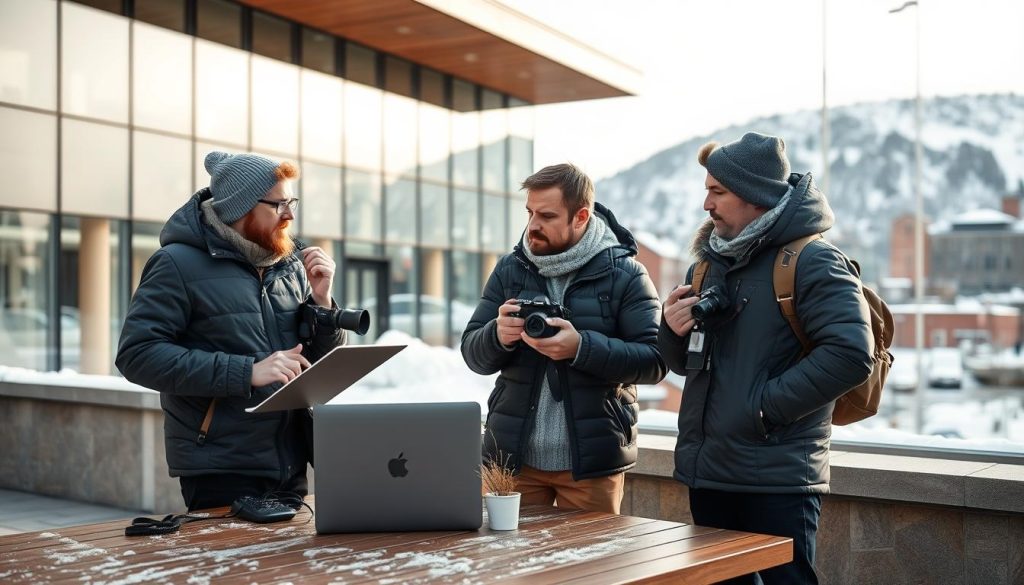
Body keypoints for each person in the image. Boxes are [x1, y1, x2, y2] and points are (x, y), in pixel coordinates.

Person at [658, 132, 873, 584]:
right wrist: (673, 332)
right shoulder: (709, 263)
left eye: (717, 192)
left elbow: (851, 354)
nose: (706, 205)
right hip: (710, 473)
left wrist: (762, 408)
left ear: (755, 196)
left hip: (777, 481)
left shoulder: (813, 261)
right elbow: (687, 365)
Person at [116, 152, 345, 511]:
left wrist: (322, 300)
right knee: (230, 568)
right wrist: (247, 371)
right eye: (278, 204)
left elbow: (313, 361)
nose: (290, 215)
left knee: (291, 568)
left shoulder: (290, 265)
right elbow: (138, 356)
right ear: (240, 208)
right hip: (221, 466)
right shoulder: (176, 264)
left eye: (291, 202)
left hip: (290, 460)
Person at [461, 163, 666, 514]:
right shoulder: (510, 269)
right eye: (530, 213)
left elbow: (654, 360)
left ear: (581, 216)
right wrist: (497, 335)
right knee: (508, 565)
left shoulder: (627, 275)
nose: (533, 225)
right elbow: (472, 353)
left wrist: (582, 348)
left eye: (547, 215)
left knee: (590, 566)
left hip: (591, 464)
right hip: (512, 462)